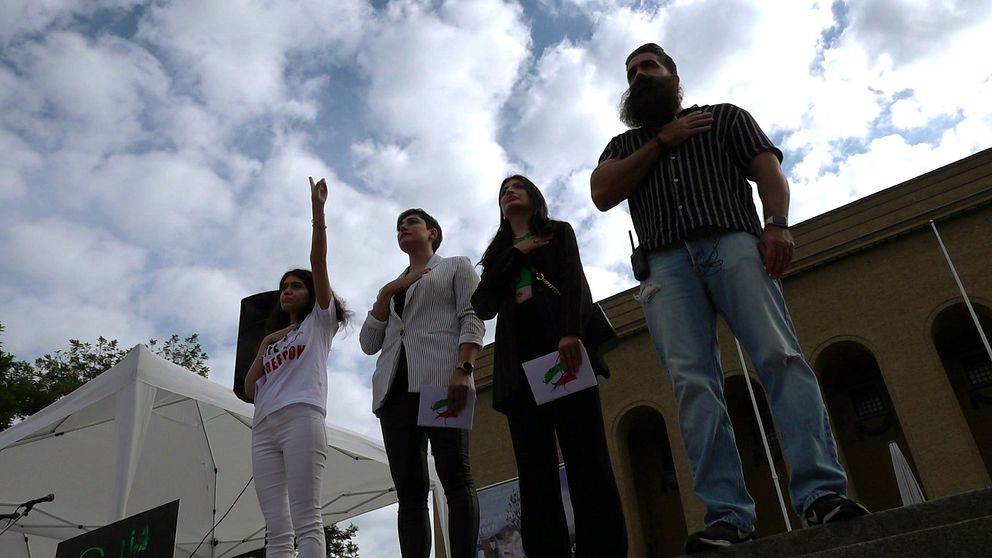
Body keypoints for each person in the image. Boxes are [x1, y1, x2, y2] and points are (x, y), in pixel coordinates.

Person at [591, 43, 869, 553]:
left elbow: (767, 171)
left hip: (733, 243)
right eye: (631, 72)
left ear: (675, 76)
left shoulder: (724, 118)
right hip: (665, 265)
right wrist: (661, 142)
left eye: (649, 66)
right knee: (694, 386)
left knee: (781, 358)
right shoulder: (623, 144)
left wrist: (778, 225)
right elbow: (602, 193)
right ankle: (727, 516)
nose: (639, 75)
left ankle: (822, 493)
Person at [472, 175, 628, 558]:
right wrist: (518, 251)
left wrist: (570, 333)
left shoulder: (558, 232)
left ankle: (604, 550)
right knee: (534, 470)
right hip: (518, 365)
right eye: (503, 189)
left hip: (562, 350)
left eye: (517, 186)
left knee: (587, 456)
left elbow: (576, 282)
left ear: (534, 197)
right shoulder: (497, 255)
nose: (509, 191)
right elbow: (483, 304)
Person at [359, 208, 484, 558]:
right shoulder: (394, 285)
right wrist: (386, 293)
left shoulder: (456, 265)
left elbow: (472, 316)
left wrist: (464, 368)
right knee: (410, 493)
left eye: (411, 222)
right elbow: (369, 344)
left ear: (432, 232)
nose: (402, 228)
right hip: (393, 392)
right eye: (398, 226)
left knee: (454, 476)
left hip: (440, 379)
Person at [244, 176, 352, 558]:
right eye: (284, 286)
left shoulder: (319, 323)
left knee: (307, 518)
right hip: (264, 425)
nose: (287, 290)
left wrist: (317, 212)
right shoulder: (273, 338)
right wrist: (262, 347)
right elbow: (248, 388)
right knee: (275, 528)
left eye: (296, 285)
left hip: (301, 417)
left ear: (310, 293)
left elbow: (317, 262)